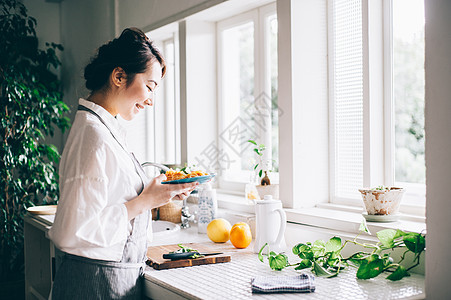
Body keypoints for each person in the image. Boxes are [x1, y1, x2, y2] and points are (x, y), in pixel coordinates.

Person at [48, 27, 198, 299]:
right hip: (94, 282)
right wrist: (143, 202)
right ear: (119, 76)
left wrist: (157, 194)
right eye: (150, 86)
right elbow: (71, 232)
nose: (151, 100)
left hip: (113, 277)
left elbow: (113, 199)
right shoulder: (93, 136)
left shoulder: (105, 130)